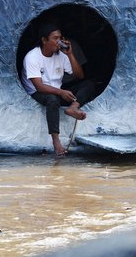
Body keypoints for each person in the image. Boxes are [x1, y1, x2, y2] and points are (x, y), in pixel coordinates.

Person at [22, 22, 96, 156]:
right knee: (52, 99)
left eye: (60, 38)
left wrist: (70, 54)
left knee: (89, 84)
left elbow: (79, 75)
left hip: (57, 89)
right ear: (44, 40)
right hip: (38, 91)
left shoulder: (61, 55)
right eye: (55, 38)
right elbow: (38, 86)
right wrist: (61, 92)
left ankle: (73, 107)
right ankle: (56, 142)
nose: (59, 42)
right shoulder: (32, 57)